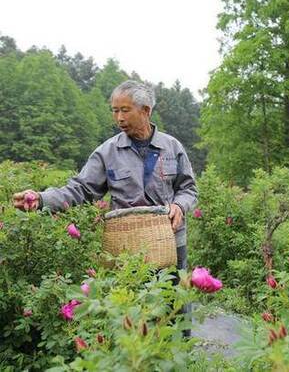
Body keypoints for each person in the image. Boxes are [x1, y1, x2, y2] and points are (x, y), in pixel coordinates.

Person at [12, 80, 198, 327]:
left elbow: (188, 188)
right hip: (127, 243)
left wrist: (180, 205)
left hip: (171, 240)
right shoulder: (107, 152)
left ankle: (181, 354)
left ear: (146, 110)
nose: (119, 117)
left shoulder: (172, 147)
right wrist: (42, 198)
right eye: (114, 110)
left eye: (125, 110)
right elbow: (81, 189)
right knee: (131, 306)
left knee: (175, 303)